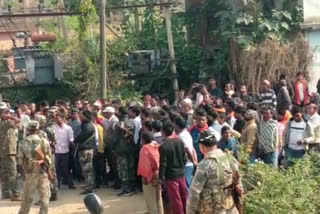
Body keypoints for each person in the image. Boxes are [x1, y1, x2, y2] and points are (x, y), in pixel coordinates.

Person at [187, 131, 242, 214]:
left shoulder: (205, 165)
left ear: (201, 146)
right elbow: (239, 184)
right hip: (231, 208)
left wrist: (190, 211)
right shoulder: (230, 158)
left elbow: (194, 192)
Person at [18, 121, 52, 214]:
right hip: (43, 171)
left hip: (30, 172)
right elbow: (49, 157)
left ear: (28, 130)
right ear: (38, 129)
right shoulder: (44, 141)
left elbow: (20, 160)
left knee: (27, 198)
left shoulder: (23, 142)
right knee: (45, 197)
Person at [159, 121, 187, 214]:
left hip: (171, 176)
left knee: (176, 199)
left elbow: (163, 163)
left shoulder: (163, 146)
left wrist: (161, 178)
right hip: (181, 173)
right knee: (184, 196)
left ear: (163, 132)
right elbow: (184, 158)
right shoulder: (179, 141)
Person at [137, 132, 164, 214]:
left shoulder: (144, 149)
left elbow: (145, 165)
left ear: (144, 140)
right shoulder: (158, 146)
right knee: (158, 197)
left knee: (150, 198)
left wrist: (145, 178)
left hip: (150, 177)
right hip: (159, 174)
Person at [112, 107, 136, 196]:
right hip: (130, 148)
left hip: (121, 149)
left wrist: (113, 147)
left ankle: (126, 189)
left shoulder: (118, 124)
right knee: (130, 168)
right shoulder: (131, 122)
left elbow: (115, 138)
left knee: (123, 169)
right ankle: (133, 187)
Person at [0, 102, 21, 201]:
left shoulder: (7, 123)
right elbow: (17, 120)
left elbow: (19, 127)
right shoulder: (5, 123)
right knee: (13, 173)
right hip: (8, 151)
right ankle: (15, 194)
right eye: (5, 111)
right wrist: (10, 116)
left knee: (4, 172)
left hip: (6, 151)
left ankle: (6, 193)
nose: (7, 113)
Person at [74, 110, 96, 194]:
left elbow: (81, 137)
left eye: (81, 115)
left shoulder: (88, 126)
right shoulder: (86, 124)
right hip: (86, 149)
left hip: (86, 150)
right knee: (87, 169)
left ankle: (89, 187)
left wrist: (75, 140)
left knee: (87, 169)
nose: (80, 116)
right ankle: (89, 185)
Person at [53, 113, 75, 189]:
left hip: (65, 151)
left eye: (57, 118)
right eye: (55, 118)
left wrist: (72, 148)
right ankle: (57, 185)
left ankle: (70, 184)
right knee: (56, 169)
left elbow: (71, 139)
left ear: (62, 118)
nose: (56, 120)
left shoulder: (68, 128)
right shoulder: (53, 128)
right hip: (56, 152)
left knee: (66, 169)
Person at [174, 117, 198, 188]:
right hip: (189, 163)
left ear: (177, 125)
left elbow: (187, 150)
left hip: (187, 164)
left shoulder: (182, 136)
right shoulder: (186, 133)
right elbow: (192, 148)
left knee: (186, 184)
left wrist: (194, 162)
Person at [102, 106, 119, 188]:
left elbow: (116, 134)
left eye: (106, 112)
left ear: (110, 113)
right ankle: (113, 179)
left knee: (115, 164)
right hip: (107, 144)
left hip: (113, 145)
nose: (104, 114)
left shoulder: (115, 121)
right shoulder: (105, 120)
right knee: (110, 163)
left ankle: (118, 182)